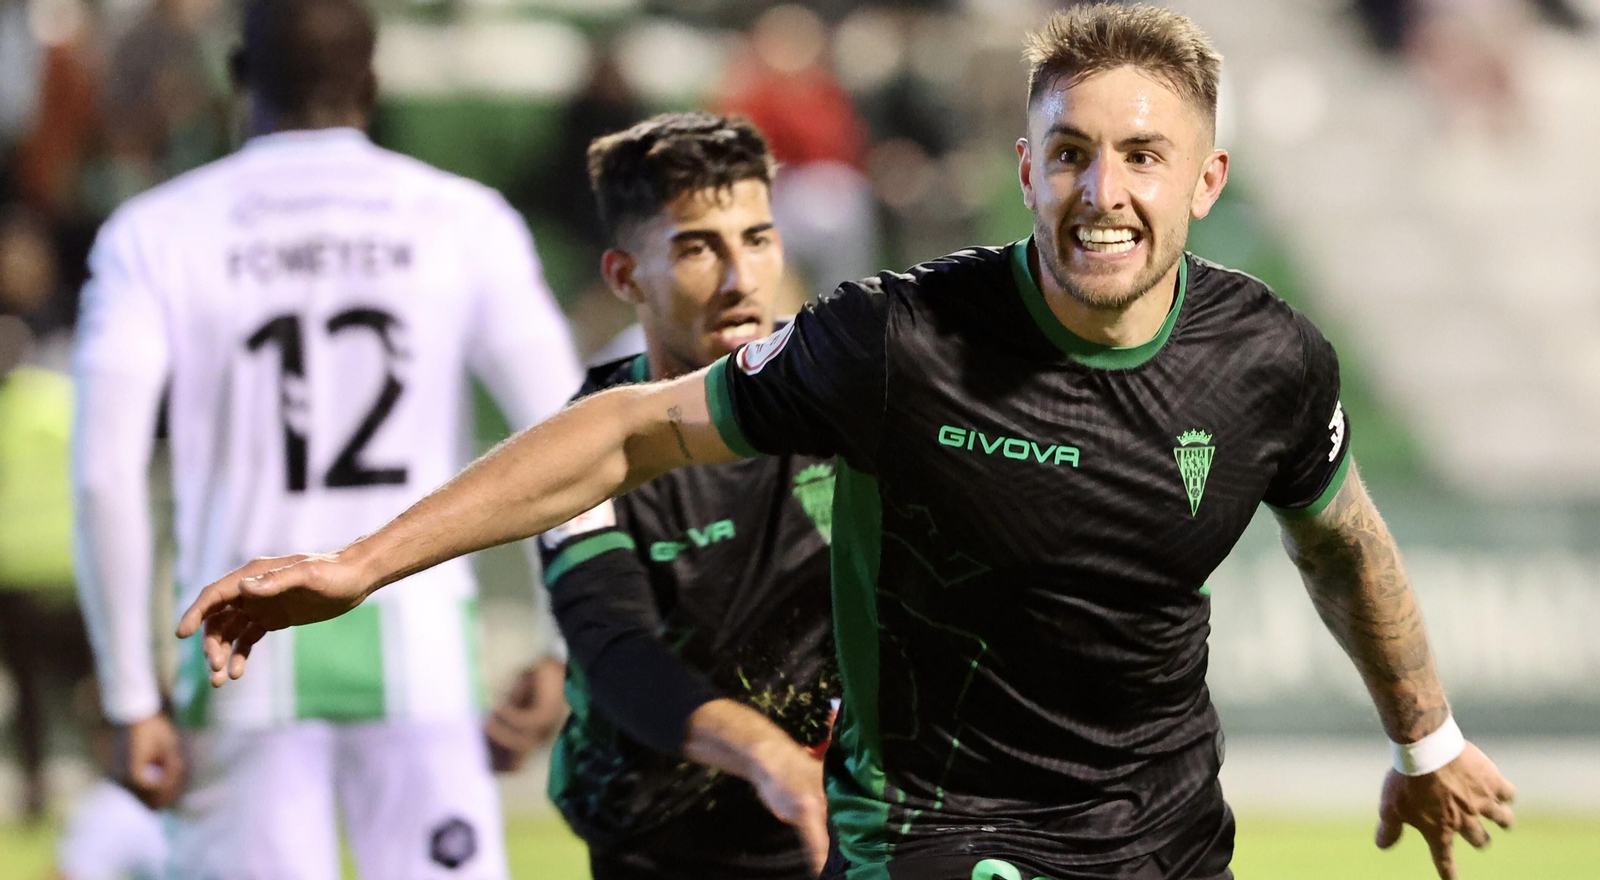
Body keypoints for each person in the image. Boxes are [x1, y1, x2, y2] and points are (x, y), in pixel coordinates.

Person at [178, 5, 1518, 880]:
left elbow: (1341, 538)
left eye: (1143, 157)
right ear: (1023, 164)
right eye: (1070, 156)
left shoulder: (1269, 360)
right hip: (935, 830)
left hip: (1165, 832)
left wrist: (1427, 739)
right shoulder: (897, 341)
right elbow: (625, 435)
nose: (1102, 194)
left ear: (1206, 181)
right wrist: (359, 564)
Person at [71, 1, 579, 878]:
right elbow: (567, 429)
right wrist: (565, 642)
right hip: (420, 644)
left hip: (235, 655)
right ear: (373, 83)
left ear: (237, 76)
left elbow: (104, 475)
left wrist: (128, 693)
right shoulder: (464, 217)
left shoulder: (153, 233)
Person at [484, 112, 840, 880]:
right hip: (661, 843)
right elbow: (618, 652)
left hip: (842, 830)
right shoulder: (582, 447)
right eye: (697, 248)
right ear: (623, 276)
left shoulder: (847, 395)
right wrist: (769, 756)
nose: (741, 280)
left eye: (756, 239)